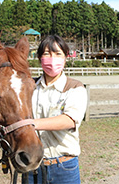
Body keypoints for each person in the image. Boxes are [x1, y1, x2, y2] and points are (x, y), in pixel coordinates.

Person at [23, 35, 87, 184]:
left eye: (58, 54)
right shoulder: (29, 87)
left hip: (64, 167)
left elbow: (69, 120)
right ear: (39, 58)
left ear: (65, 58)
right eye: (47, 54)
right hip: (32, 166)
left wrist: (31, 123)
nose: (52, 59)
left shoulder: (74, 88)